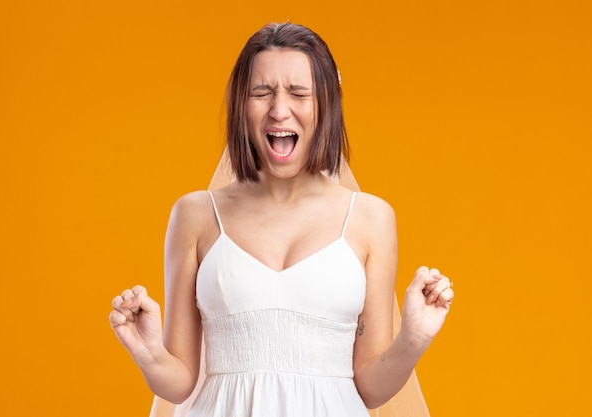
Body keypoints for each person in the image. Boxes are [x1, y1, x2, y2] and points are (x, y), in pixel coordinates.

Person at [109, 22, 454, 417]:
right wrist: (148, 352)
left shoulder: (371, 219)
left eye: (298, 93)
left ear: (325, 104)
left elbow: (370, 388)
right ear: (242, 104)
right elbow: (181, 380)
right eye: (261, 93)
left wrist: (412, 338)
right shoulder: (194, 215)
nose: (278, 110)